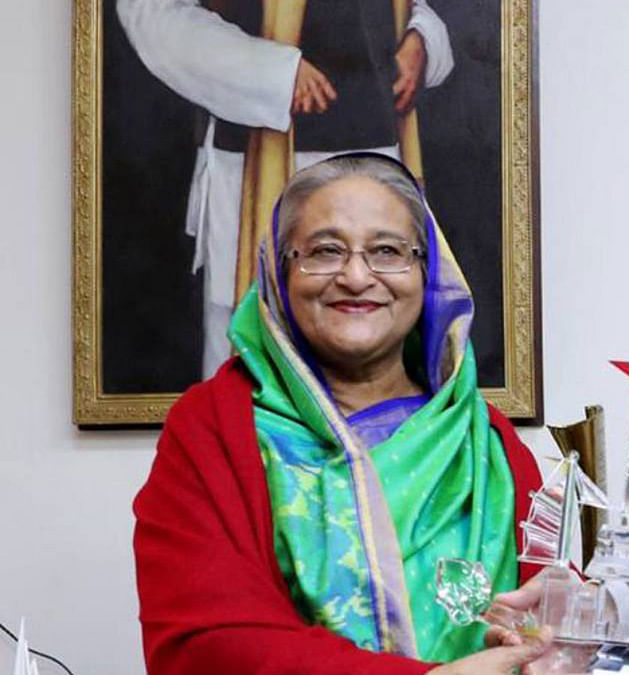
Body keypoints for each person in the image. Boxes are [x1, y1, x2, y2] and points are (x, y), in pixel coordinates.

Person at [133, 153, 550, 674]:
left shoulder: (486, 441)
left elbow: (543, 621)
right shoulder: (216, 428)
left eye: (387, 251)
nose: (356, 276)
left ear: (428, 273)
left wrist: (566, 627)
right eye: (325, 251)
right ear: (279, 273)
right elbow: (202, 644)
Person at [116, 0, 455, 377]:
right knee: (250, 390)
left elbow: (409, 11)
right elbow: (151, 14)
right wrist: (273, 72)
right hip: (258, 172)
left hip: (378, 167)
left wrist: (422, 39)